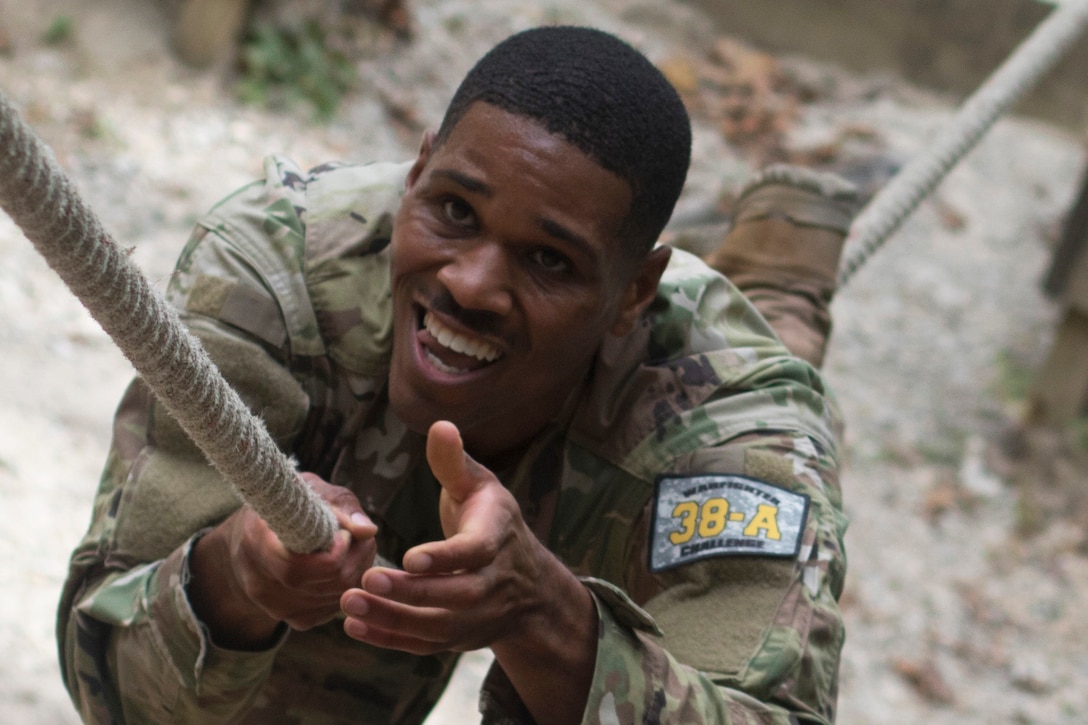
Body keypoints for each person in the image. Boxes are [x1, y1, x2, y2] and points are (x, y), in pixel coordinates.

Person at [57, 25, 852, 724]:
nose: (469, 286)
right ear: (416, 172)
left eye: (549, 258)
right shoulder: (277, 277)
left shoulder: (730, 410)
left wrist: (545, 617)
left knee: (758, 402)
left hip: (627, 448)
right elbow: (110, 690)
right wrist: (236, 575)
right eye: (456, 212)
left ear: (633, 293)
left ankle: (777, 297)